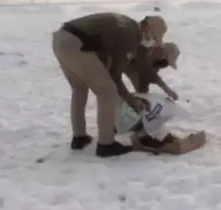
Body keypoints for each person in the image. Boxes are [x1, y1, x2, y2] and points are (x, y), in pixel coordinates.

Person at [51, 12, 169, 157]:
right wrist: (132, 101)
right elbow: (115, 76)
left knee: (79, 89)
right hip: (77, 43)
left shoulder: (125, 24)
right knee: (107, 92)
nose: (151, 41)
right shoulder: (131, 35)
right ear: (147, 28)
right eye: (153, 37)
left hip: (61, 40)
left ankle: (79, 137)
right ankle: (106, 145)